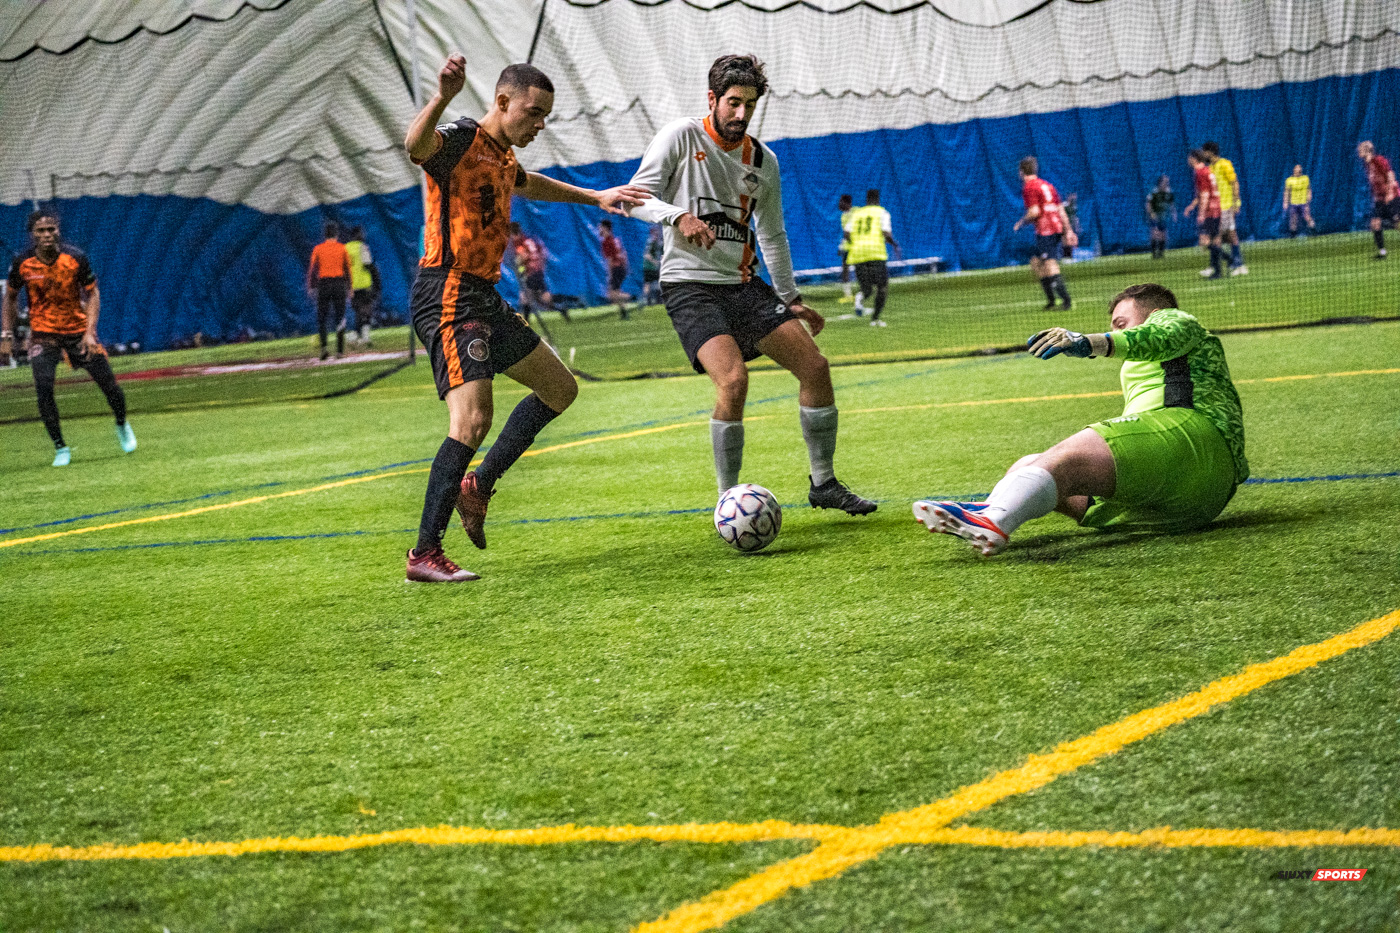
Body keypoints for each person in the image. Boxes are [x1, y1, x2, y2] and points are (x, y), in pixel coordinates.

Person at [402, 55, 647, 582]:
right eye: (534, 113)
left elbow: (528, 183)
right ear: (502, 101)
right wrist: (443, 95)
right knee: (471, 420)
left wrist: (596, 197)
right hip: (448, 291)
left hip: (483, 297)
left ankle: (479, 485)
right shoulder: (462, 141)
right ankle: (424, 554)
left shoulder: (503, 157)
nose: (540, 124)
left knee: (560, 389)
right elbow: (415, 148)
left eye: (545, 117)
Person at [625, 53, 875, 515]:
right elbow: (634, 197)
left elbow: (772, 234)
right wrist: (679, 216)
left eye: (750, 105)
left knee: (815, 368)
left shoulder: (763, 160)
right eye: (734, 102)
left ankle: (824, 484)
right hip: (688, 285)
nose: (741, 114)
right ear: (713, 99)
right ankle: (727, 501)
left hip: (742, 284)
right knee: (734, 380)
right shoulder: (682, 136)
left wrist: (791, 298)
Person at [914, 283, 1247, 556]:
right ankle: (990, 511)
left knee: (1068, 457)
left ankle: (993, 517)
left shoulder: (1175, 320)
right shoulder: (1146, 364)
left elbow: (1158, 337)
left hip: (1198, 442)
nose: (1115, 330)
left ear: (1155, 313)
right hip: (1186, 507)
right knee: (1029, 465)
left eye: (1121, 323)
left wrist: (1090, 342)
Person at [2, 211, 136, 466]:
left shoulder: (75, 258)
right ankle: (61, 448)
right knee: (43, 388)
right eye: (41, 231)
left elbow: (93, 294)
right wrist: (6, 335)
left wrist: (89, 332)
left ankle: (121, 423)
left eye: (51, 229)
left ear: (58, 231)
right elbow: (9, 298)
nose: (47, 235)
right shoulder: (23, 263)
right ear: (33, 234)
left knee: (110, 387)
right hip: (43, 335)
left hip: (77, 332)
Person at [1013, 156, 1076, 310]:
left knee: (1050, 264)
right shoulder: (1047, 185)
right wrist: (1068, 230)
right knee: (1036, 262)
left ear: (1021, 172)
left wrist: (1021, 223)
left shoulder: (1029, 187)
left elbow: (1035, 211)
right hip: (1056, 227)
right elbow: (1060, 209)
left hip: (1046, 229)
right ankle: (1051, 301)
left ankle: (1066, 301)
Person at [842, 188, 900, 327]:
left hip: (857, 254)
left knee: (867, 289)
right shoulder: (882, 213)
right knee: (882, 287)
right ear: (878, 199)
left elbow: (846, 233)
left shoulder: (857, 214)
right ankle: (875, 319)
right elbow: (886, 232)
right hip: (875, 253)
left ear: (866, 200)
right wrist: (894, 244)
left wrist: (855, 243)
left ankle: (860, 297)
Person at [1202, 142, 1247, 275]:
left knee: (1227, 235)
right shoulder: (1209, 168)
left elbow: (1234, 183)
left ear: (1210, 152)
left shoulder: (1225, 164)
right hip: (1216, 208)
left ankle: (1237, 264)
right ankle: (1222, 265)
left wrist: (1236, 202)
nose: (1204, 154)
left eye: (1205, 151)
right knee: (1219, 236)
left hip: (1226, 206)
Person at [306, 221, 350, 359]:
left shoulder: (318, 249)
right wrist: (350, 287)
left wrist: (311, 286)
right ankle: (340, 351)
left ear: (324, 234)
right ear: (336, 234)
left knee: (322, 317)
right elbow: (347, 269)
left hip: (324, 284)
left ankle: (324, 348)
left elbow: (312, 270)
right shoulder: (342, 248)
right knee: (340, 317)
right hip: (338, 284)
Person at [508, 223, 563, 321]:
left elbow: (523, 257)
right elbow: (542, 252)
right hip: (537, 271)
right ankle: (561, 308)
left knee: (525, 297)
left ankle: (526, 321)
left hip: (531, 272)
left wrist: (518, 263)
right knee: (540, 298)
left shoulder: (520, 244)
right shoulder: (528, 240)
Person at [1184, 149, 1225, 279]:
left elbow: (1205, 194)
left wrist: (1201, 213)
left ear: (1194, 158)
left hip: (1210, 211)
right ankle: (1216, 269)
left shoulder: (1199, 172)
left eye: (1189, 158)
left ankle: (1228, 261)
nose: (1188, 160)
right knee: (1214, 240)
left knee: (1205, 241)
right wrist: (1192, 206)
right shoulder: (1208, 170)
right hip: (1217, 208)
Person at [1358, 141, 1400, 259]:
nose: (1358, 151)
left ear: (1367, 151)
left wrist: (1390, 194)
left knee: (1397, 224)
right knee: (1375, 223)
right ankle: (1382, 253)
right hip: (1380, 199)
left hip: (1393, 196)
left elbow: (1391, 175)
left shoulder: (1379, 160)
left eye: (1361, 149)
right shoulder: (1367, 165)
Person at [344, 225, 376, 347]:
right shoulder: (362, 247)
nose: (363, 235)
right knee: (367, 309)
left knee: (358, 311)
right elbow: (368, 264)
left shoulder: (345, 248)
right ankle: (364, 337)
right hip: (364, 283)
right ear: (357, 235)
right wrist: (375, 278)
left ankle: (356, 336)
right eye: (361, 233)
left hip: (351, 285)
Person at [835, 193, 864, 313]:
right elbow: (845, 233)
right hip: (847, 247)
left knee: (861, 269)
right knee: (845, 269)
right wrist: (841, 246)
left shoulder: (857, 211)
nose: (839, 204)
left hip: (856, 246)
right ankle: (848, 295)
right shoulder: (843, 216)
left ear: (847, 203)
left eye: (841, 202)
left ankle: (863, 292)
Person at [598, 219, 632, 319]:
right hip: (621, 267)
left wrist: (609, 273)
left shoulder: (606, 241)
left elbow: (609, 259)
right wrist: (626, 266)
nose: (599, 229)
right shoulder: (615, 239)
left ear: (605, 228)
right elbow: (624, 254)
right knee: (615, 292)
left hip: (616, 268)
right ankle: (624, 312)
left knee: (612, 295)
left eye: (600, 227)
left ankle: (632, 298)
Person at [1145, 175, 1176, 259]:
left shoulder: (1169, 192)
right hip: (1154, 215)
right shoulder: (1154, 192)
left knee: (1163, 235)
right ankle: (1154, 253)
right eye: (1165, 182)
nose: (1167, 183)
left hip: (1163, 216)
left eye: (1167, 182)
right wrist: (1151, 213)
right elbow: (1148, 203)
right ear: (1160, 183)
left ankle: (1161, 253)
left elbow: (1171, 204)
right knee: (1154, 233)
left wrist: (1174, 214)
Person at [1282, 164, 1315, 236]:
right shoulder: (1289, 180)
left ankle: (1313, 231)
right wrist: (1285, 202)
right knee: (1293, 219)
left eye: (1299, 169)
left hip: (1304, 202)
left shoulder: (1305, 178)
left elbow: (1308, 189)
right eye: (1297, 169)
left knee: (1307, 216)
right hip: (1294, 203)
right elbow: (1286, 192)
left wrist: (1309, 198)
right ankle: (1293, 234)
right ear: (1294, 170)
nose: (1298, 171)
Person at [641, 223, 664, 307]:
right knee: (649, 283)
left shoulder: (655, 242)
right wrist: (654, 261)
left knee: (655, 282)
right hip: (649, 267)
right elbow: (647, 255)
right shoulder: (651, 242)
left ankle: (654, 299)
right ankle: (648, 300)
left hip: (652, 267)